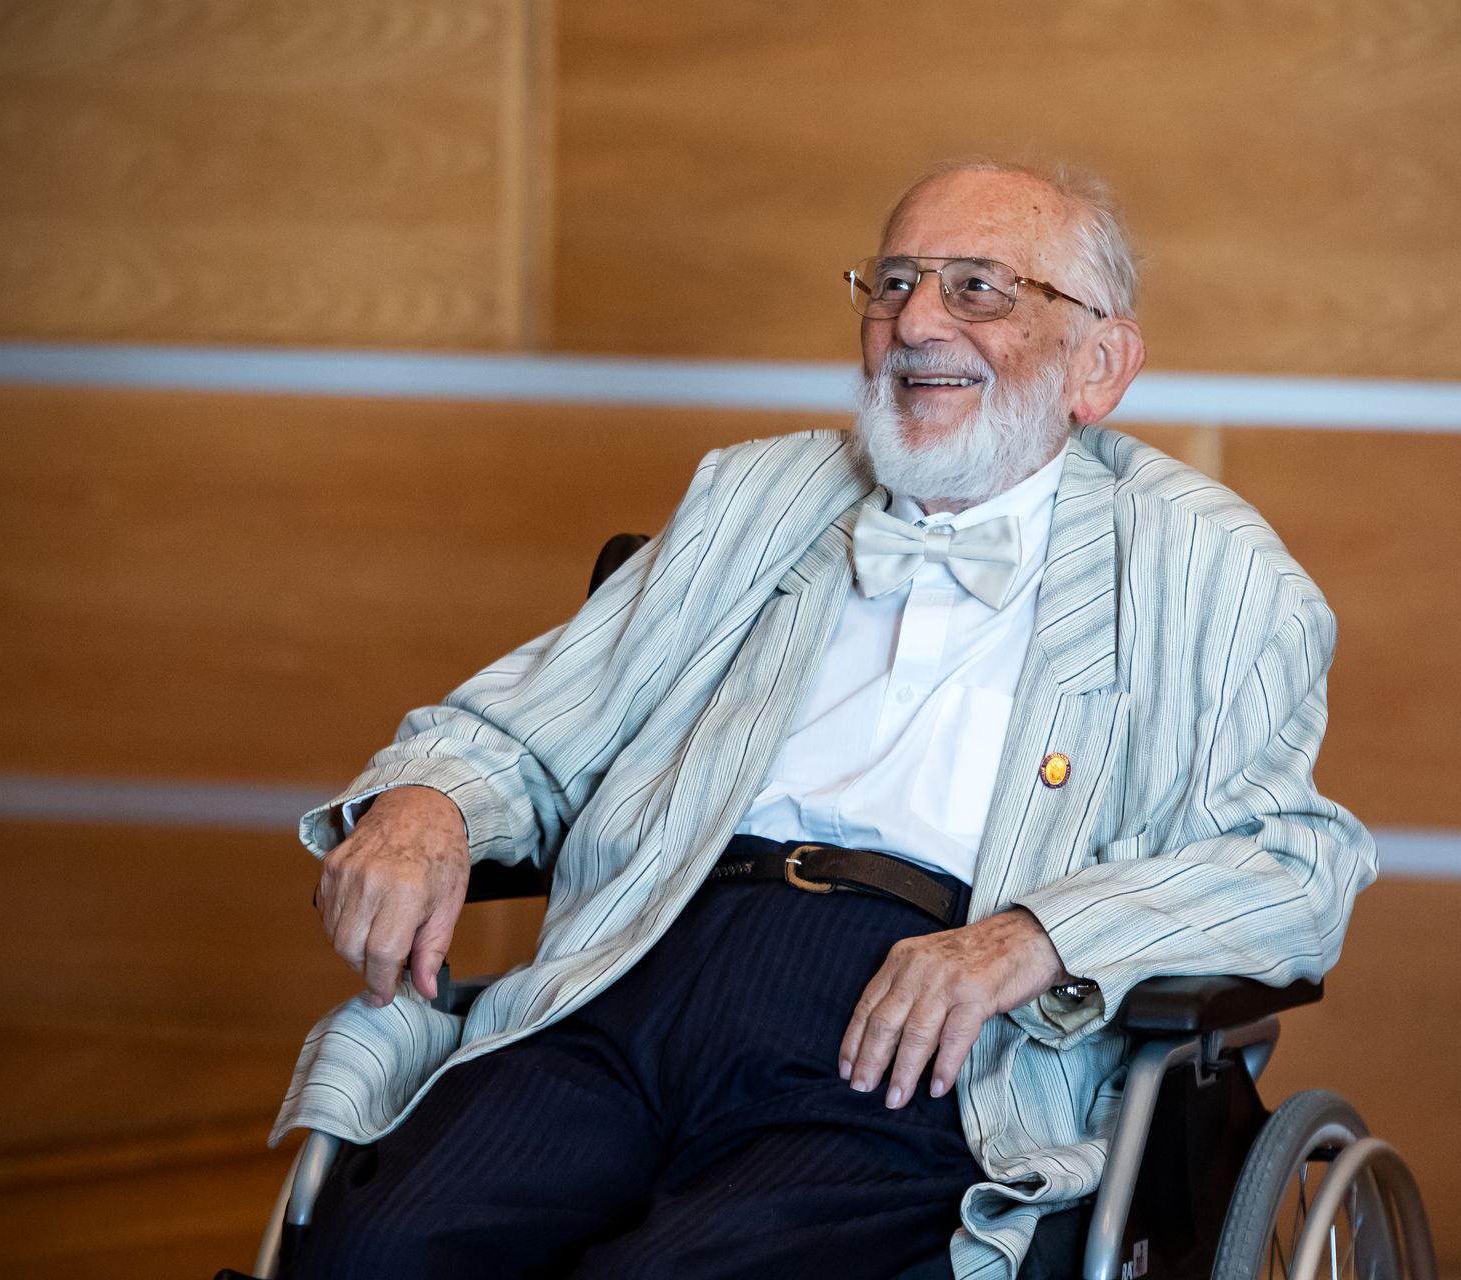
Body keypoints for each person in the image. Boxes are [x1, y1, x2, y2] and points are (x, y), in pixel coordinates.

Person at [277, 159, 1376, 1280]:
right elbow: (528, 726)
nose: (917, 322)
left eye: (979, 288)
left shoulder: (1209, 567)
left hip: (920, 1037)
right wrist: (427, 806)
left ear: (1099, 364)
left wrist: (1033, 941)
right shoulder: (754, 495)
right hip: (640, 963)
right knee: (373, 1253)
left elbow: (1292, 867)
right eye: (893, 283)